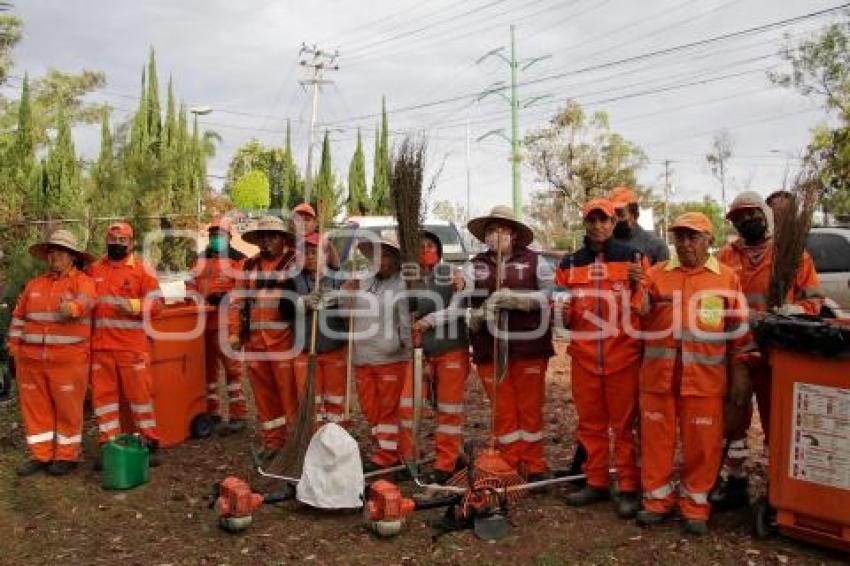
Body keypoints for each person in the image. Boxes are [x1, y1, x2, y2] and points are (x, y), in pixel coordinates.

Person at [635, 212, 758, 536]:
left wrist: (740, 378)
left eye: (693, 237)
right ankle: (657, 501)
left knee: (703, 445)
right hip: (658, 377)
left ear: (709, 240)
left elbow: (739, 335)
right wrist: (638, 297)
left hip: (704, 380)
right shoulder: (656, 275)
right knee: (656, 442)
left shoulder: (727, 279)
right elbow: (637, 321)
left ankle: (695, 505)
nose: (685, 243)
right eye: (680, 237)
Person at [711, 192, 823, 508]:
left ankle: (780, 490)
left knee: (779, 422)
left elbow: (815, 301)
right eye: (739, 216)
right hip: (737, 353)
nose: (747, 220)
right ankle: (735, 481)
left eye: (752, 213)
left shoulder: (793, 256)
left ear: (765, 214)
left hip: (778, 355)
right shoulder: (725, 257)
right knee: (734, 419)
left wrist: (794, 310)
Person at [555, 199, 647, 518]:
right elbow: (560, 314)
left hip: (623, 356)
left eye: (604, 220)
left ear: (613, 223)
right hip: (584, 359)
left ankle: (628, 487)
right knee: (590, 425)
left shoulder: (632, 258)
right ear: (585, 223)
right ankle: (594, 482)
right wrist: (562, 314)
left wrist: (639, 283)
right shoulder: (569, 263)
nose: (598, 226)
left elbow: (644, 305)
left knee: (623, 428)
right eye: (592, 220)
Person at [466, 205, 554, 481]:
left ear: (514, 234)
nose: (497, 234)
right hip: (489, 348)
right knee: (502, 410)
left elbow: (549, 294)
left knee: (530, 409)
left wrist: (521, 300)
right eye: (492, 230)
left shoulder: (535, 261)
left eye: (503, 229)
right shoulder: (475, 264)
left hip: (529, 346)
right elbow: (461, 296)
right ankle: (509, 463)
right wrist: (473, 314)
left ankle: (535, 465)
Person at [7, 230, 95, 476]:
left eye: (60, 251)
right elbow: (19, 318)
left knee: (68, 410)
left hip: (68, 361)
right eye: (51, 251)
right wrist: (13, 347)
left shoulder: (82, 282)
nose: (54, 256)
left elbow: (88, 301)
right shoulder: (34, 285)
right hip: (31, 362)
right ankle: (41, 455)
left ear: (72, 257)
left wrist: (73, 307)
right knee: (36, 410)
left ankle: (67, 456)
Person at [89, 222, 163, 466]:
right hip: (100, 348)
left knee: (140, 398)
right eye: (113, 240)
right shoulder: (93, 270)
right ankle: (109, 446)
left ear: (132, 244)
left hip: (131, 348)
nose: (117, 244)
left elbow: (157, 306)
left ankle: (150, 444)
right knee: (104, 401)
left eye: (123, 241)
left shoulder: (143, 271)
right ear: (106, 241)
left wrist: (133, 305)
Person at [401, 230, 470, 485]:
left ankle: (446, 464)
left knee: (448, 410)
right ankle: (407, 458)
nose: (425, 250)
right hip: (421, 354)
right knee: (408, 405)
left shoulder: (450, 273)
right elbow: (405, 315)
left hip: (451, 350)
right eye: (420, 246)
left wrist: (429, 321)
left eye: (430, 245)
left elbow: (458, 308)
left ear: (439, 250)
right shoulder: (411, 278)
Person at [228, 215, 298, 460]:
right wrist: (234, 334)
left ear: (283, 239)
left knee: (290, 395)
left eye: (273, 236)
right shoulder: (248, 266)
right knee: (264, 397)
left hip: (285, 343)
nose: (267, 241)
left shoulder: (293, 263)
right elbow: (237, 302)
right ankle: (273, 442)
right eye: (263, 236)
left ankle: (295, 443)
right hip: (255, 342)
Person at [343, 238, 411, 471]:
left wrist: (407, 350)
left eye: (385, 256)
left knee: (389, 410)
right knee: (370, 409)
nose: (379, 261)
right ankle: (384, 448)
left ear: (395, 259)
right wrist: (345, 293)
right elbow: (345, 313)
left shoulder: (402, 284)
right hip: (362, 356)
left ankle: (390, 456)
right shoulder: (360, 281)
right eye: (375, 256)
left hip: (390, 358)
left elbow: (405, 321)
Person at [278, 231, 348, 425]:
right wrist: (303, 302)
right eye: (304, 253)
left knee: (335, 402)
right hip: (305, 351)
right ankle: (312, 441)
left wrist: (340, 298)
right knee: (310, 403)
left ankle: (336, 443)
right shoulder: (293, 280)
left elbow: (355, 309)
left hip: (334, 350)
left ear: (325, 254)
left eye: (313, 252)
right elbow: (283, 309)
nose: (308, 257)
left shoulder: (339, 279)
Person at [187, 217, 248, 435]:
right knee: (207, 373)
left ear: (229, 237)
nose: (216, 239)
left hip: (227, 324)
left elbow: (243, 291)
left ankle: (239, 414)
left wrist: (224, 297)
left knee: (233, 371)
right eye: (213, 235)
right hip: (202, 324)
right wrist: (194, 299)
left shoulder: (239, 260)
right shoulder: (199, 260)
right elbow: (190, 286)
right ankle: (212, 413)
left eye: (220, 235)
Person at [609, 186, 670, 265]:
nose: (615, 219)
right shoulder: (601, 245)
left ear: (635, 216)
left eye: (620, 214)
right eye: (611, 214)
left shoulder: (656, 246)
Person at [290, 202, 341, 269]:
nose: (303, 223)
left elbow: (336, 265)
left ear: (315, 223)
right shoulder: (287, 240)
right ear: (292, 224)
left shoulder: (321, 241)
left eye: (307, 220)